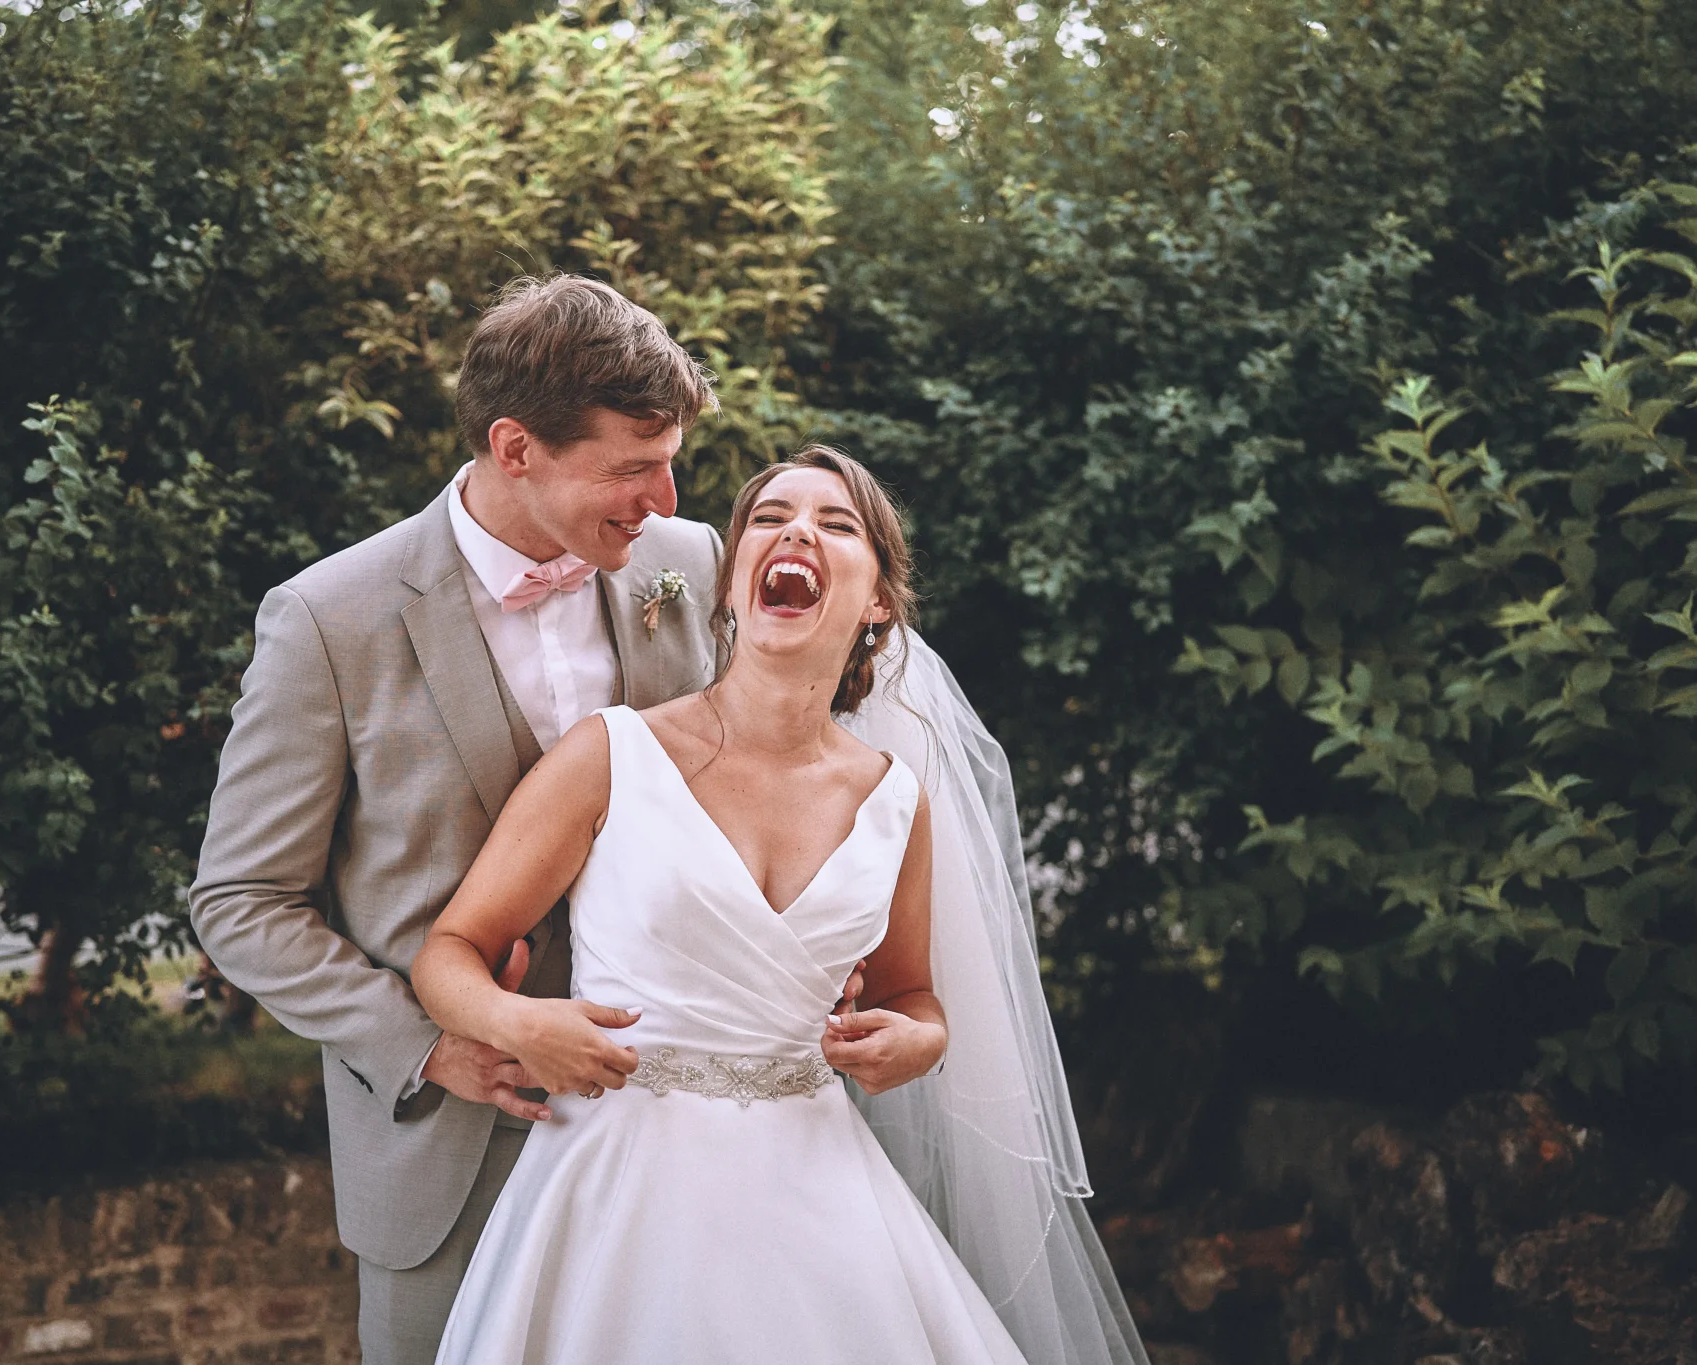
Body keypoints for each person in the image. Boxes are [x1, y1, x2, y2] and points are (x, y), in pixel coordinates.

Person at [413, 448, 1149, 1364]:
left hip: (821, 1195)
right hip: (614, 1193)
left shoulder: (895, 801)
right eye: (769, 518)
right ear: (730, 583)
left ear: (879, 599)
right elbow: (450, 949)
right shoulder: (611, 755)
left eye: (837, 525)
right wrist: (520, 1022)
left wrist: (919, 1040)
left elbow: (913, 996)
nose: (797, 530)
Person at [188, 274, 737, 1364]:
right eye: (631, 468)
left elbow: (740, 801)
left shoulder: (687, 567)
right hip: (451, 1142)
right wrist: (427, 1043)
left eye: (669, 461)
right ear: (514, 445)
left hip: (679, 1119)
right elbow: (241, 902)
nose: (664, 500)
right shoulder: (328, 620)